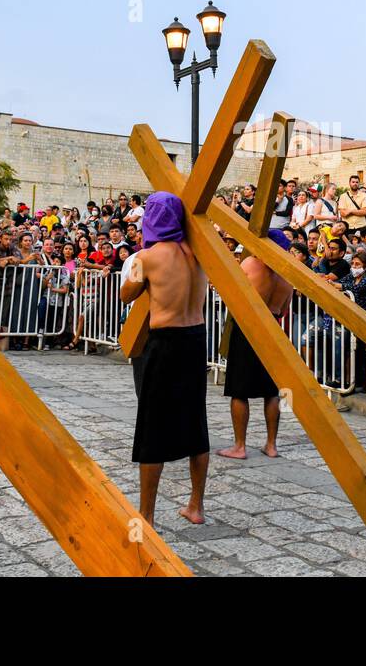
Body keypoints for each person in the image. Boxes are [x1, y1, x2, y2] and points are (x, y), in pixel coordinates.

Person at [119, 192, 209, 526]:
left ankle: (147, 514)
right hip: (196, 339)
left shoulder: (148, 256)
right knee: (195, 423)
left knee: (153, 426)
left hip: (165, 341)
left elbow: (126, 293)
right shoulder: (200, 255)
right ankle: (196, 506)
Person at [217, 229, 294, 461]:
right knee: (271, 391)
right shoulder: (287, 276)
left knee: (239, 391)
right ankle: (271, 445)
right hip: (272, 328)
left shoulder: (251, 263)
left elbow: (232, 290)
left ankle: (240, 446)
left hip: (248, 327)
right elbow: (283, 310)